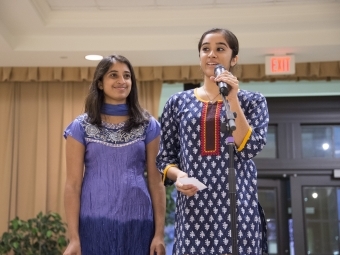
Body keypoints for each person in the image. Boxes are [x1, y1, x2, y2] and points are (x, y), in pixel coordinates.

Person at [156, 28, 269, 255]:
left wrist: (232, 98)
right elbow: (164, 158)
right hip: (193, 208)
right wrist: (179, 177)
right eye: (205, 49)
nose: (212, 55)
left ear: (234, 58)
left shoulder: (253, 101)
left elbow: (249, 149)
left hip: (238, 207)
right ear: (199, 57)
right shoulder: (177, 103)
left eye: (220, 49)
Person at [63, 54, 166, 255]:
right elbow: (73, 185)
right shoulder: (81, 127)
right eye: (113, 75)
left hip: (139, 224)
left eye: (127, 76)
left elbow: (156, 182)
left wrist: (159, 234)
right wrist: (74, 239)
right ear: (100, 83)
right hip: (93, 224)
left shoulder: (148, 125)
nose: (122, 81)